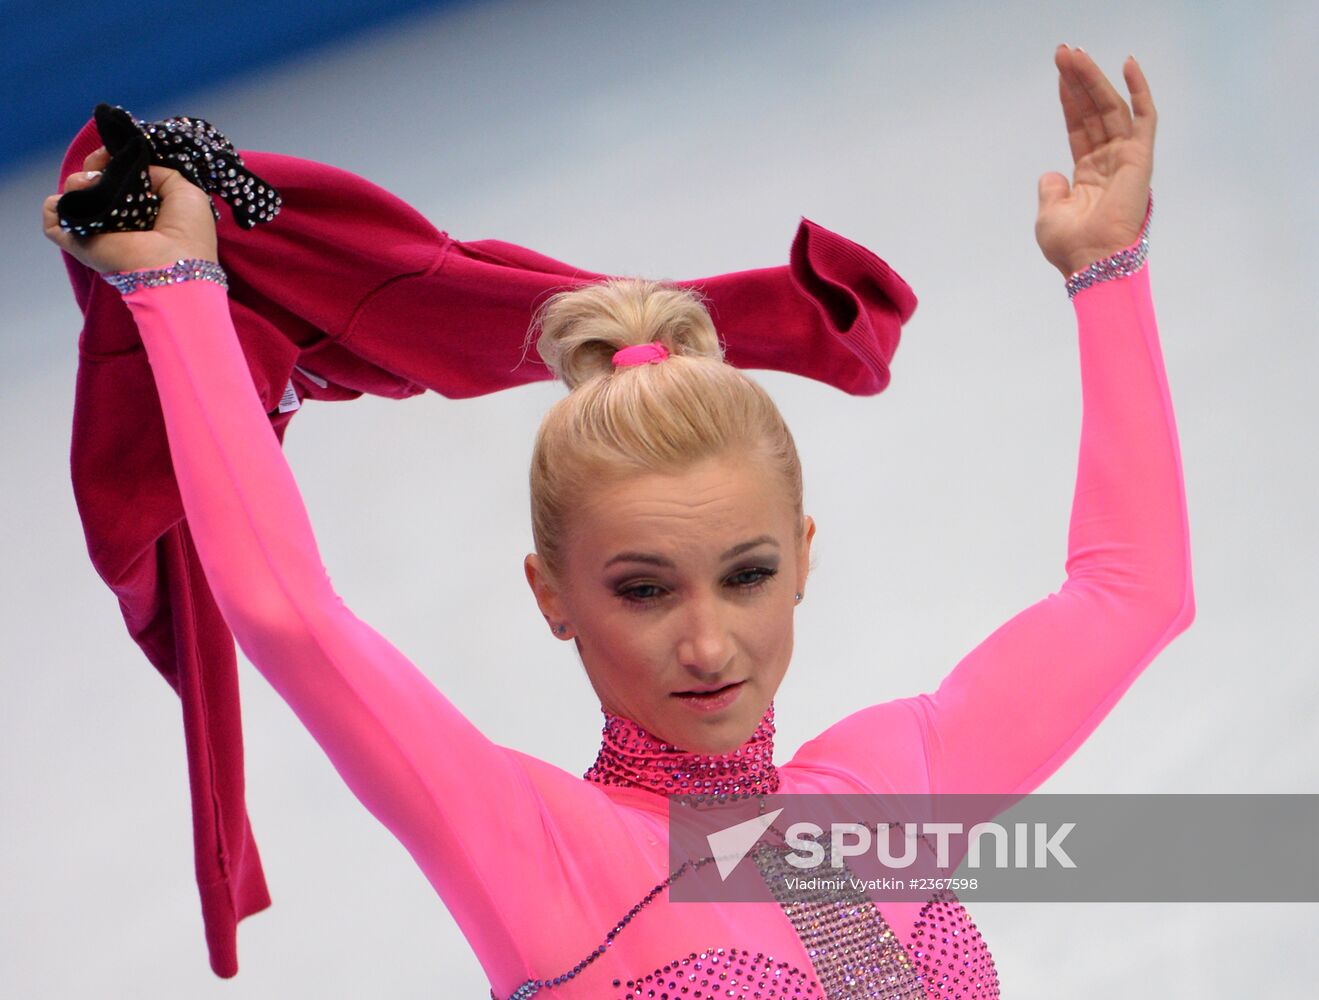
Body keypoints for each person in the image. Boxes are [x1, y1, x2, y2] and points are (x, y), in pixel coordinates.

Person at [43, 44, 1191, 999]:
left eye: (742, 574)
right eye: (642, 588)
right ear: (552, 595)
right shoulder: (542, 853)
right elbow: (289, 615)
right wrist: (179, 291)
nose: (705, 643)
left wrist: (1106, 268)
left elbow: (1131, 595)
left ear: (800, 559)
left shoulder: (890, 782)